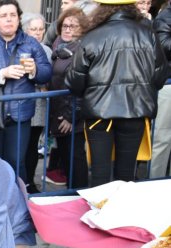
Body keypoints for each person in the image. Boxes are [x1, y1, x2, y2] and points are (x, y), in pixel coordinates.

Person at [66, 0, 168, 187]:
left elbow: (75, 81)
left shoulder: (92, 36)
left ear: (101, 8)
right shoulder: (147, 33)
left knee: (100, 174)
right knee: (126, 174)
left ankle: (99, 215)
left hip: (99, 116)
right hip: (135, 112)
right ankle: (121, 214)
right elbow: (160, 75)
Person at [0, 0, 52, 185]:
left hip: (20, 113)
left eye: (13, 15)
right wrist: (2, 73)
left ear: (19, 19)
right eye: (3, 16)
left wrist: (34, 70)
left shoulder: (30, 43)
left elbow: (46, 72)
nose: (9, 20)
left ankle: (19, 205)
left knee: (16, 162)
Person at [49, 7, 90, 189]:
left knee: (75, 161)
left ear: (82, 29)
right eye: (65, 25)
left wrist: (71, 116)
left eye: (73, 26)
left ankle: (78, 198)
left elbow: (82, 86)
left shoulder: (82, 49)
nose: (67, 29)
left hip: (72, 116)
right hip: (59, 113)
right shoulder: (59, 45)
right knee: (67, 160)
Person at [21, 13, 52, 193]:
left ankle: (30, 182)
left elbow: (48, 76)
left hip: (39, 104)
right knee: (20, 146)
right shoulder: (19, 47)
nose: (38, 33)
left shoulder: (46, 50)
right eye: (34, 29)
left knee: (32, 145)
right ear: (25, 29)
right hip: (20, 102)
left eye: (41, 29)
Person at [151, 1, 171, 178]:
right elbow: (164, 46)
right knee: (162, 138)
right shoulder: (164, 18)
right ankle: (155, 182)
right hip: (168, 84)